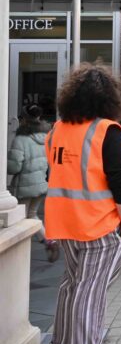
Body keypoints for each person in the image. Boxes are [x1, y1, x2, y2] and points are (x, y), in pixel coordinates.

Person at [45, 63, 121, 344]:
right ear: (109, 98)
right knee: (89, 293)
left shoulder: (57, 130)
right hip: (100, 226)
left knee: (72, 286)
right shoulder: (106, 131)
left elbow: (55, 175)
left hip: (66, 225)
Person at [8, 105, 56, 258]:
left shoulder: (21, 139)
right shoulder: (46, 138)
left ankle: (18, 256)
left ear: (24, 119)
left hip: (24, 187)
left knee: (19, 221)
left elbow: (14, 167)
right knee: (32, 215)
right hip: (41, 184)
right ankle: (49, 241)